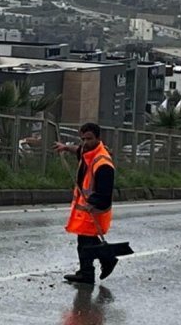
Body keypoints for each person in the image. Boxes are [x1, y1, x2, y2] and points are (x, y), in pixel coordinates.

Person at [54, 122, 117, 285]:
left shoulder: (103, 162)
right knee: (85, 241)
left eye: (89, 139)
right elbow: (78, 150)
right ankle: (89, 270)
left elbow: (105, 192)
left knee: (86, 244)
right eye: (83, 139)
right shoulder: (87, 151)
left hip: (95, 209)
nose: (85, 142)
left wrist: (93, 203)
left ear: (98, 138)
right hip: (86, 208)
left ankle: (99, 266)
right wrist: (65, 148)